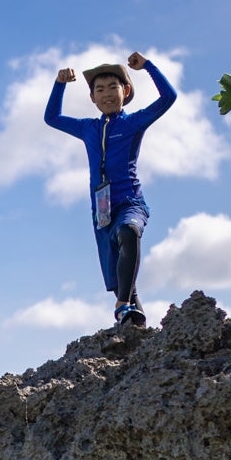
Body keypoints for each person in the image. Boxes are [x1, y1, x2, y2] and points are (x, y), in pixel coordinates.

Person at [44, 51, 177, 327]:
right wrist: (59, 84)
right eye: (99, 90)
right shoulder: (87, 128)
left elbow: (169, 98)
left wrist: (148, 67)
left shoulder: (132, 123)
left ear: (125, 91)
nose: (106, 94)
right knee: (120, 281)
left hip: (130, 202)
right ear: (92, 98)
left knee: (129, 232)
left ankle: (121, 306)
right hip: (102, 211)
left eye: (112, 88)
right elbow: (52, 117)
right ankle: (134, 329)